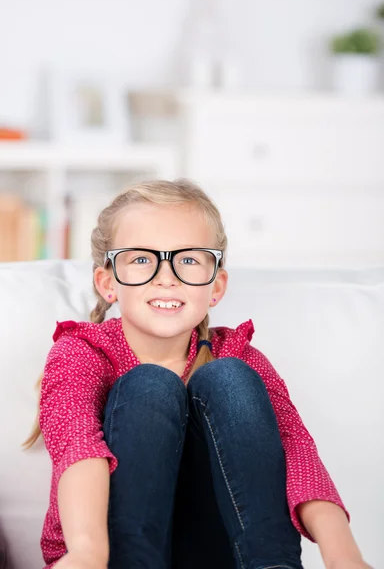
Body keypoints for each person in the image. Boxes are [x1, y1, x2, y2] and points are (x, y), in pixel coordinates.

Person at [23, 179, 371, 569]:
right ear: (107, 283)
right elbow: (78, 447)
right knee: (150, 385)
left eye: (188, 259)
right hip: (109, 554)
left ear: (216, 285)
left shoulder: (238, 356)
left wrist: (345, 557)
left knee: (229, 378)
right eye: (141, 258)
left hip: (216, 554)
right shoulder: (81, 352)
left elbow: (297, 452)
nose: (166, 276)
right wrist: (87, 551)